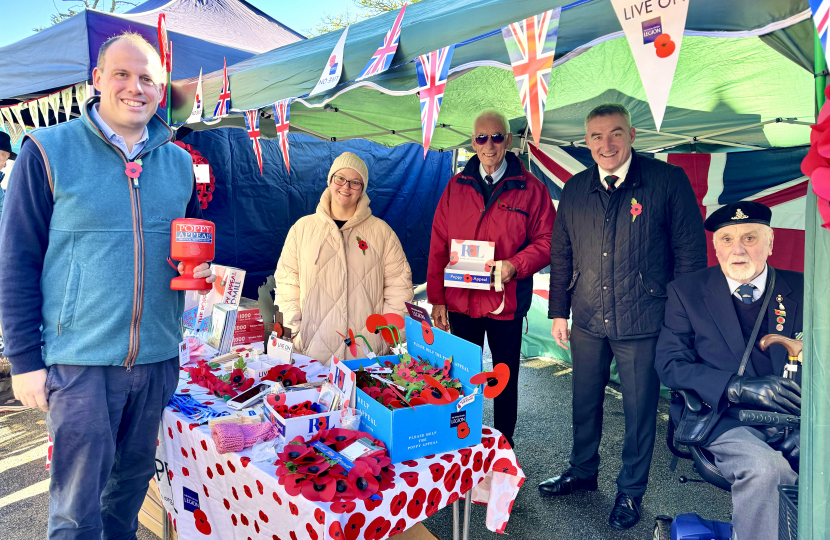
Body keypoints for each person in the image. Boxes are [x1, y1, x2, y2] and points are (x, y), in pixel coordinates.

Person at [0, 32, 214, 538]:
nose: (134, 87)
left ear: (161, 91)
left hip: (158, 359)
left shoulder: (180, 163)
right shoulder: (48, 151)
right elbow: (16, 262)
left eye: (147, 79)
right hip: (81, 365)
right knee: (76, 511)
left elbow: (181, 244)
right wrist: (25, 361)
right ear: (97, 79)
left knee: (131, 494)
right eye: (122, 73)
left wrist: (198, 274)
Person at [543, 103, 707, 529]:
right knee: (584, 402)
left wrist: (682, 319)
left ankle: (631, 494)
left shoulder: (666, 181)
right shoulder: (576, 187)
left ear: (632, 134)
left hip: (645, 320)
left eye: (615, 133)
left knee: (639, 413)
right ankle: (582, 472)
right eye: (596, 136)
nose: (606, 144)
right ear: (586, 141)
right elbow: (561, 253)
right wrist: (559, 311)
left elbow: (690, 254)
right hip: (588, 318)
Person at [655, 201, 800, 540]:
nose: (738, 249)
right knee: (767, 470)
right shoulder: (687, 292)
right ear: (716, 248)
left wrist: (809, 427)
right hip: (723, 415)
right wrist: (736, 387)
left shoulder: (806, 289)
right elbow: (670, 365)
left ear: (770, 243)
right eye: (727, 239)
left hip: (794, 415)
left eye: (750, 238)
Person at [426, 109, 555, 449]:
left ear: (508, 141)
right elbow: (439, 244)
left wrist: (516, 264)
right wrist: (437, 298)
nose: (489, 145)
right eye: (481, 138)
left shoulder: (533, 189)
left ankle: (503, 447)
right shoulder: (455, 187)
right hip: (461, 303)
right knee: (461, 377)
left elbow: (549, 240)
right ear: (472, 142)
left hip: (505, 304)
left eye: (496, 137)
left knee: (504, 379)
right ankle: (460, 444)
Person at [275, 152, 413, 364]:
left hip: (365, 351)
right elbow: (287, 283)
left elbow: (399, 287)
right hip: (312, 351)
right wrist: (293, 333)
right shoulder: (302, 229)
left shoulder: (382, 233)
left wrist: (386, 335)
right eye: (340, 178)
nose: (346, 186)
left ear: (362, 189)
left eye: (355, 182)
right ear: (330, 181)